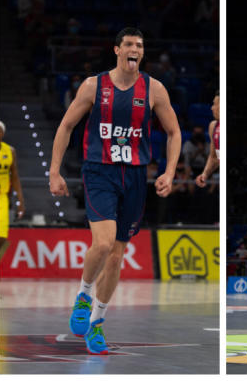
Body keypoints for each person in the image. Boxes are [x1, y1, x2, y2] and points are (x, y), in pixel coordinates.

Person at [49, 27, 181, 354]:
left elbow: (175, 132)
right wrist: (54, 170)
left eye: (140, 45)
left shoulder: (155, 89)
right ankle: (83, 293)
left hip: (135, 176)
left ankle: (97, 322)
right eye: (130, 45)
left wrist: (169, 171)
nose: (135, 49)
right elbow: (66, 126)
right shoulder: (95, 86)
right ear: (117, 50)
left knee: (118, 254)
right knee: (104, 243)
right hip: (99, 171)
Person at [0, 120, 25, 262]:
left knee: (2, 237)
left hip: (2, 196)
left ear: (2, 134)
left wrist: (21, 201)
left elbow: (15, 177)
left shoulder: (10, 151)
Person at [196, 90, 220, 187]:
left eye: (214, 104)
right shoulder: (213, 126)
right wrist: (205, 174)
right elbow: (214, 156)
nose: (211, 108)